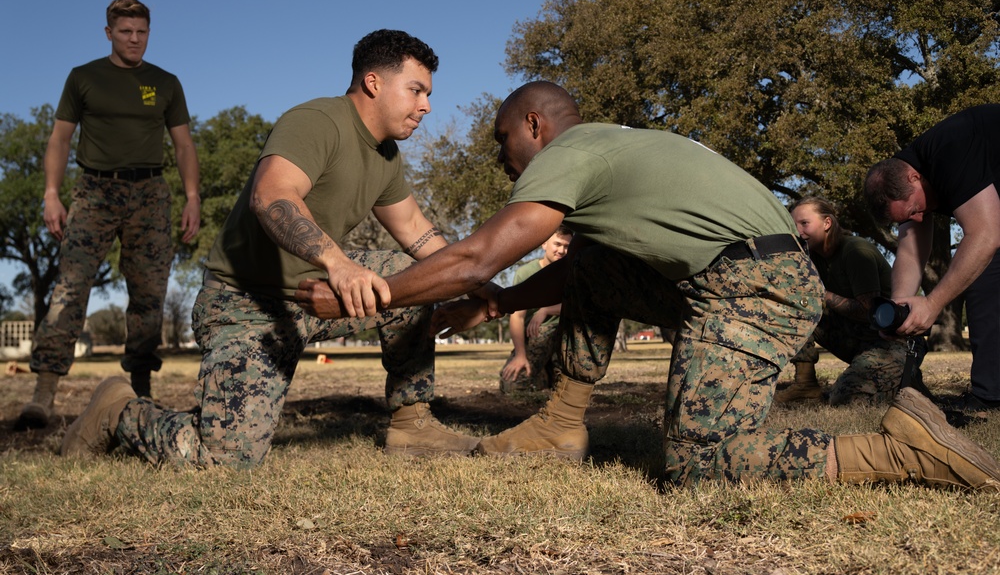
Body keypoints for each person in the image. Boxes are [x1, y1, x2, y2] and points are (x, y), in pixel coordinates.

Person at [292, 81, 1000, 491]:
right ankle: (560, 424)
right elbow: (585, 269)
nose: (502, 160)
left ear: (535, 125)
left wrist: (372, 290)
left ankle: (900, 449)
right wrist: (503, 301)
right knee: (598, 264)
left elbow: (481, 253)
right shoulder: (617, 145)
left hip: (754, 283)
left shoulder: (566, 153)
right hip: (750, 271)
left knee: (700, 462)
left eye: (503, 141)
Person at [61, 29, 480, 467]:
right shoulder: (317, 120)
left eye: (427, 94)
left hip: (315, 296)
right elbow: (273, 197)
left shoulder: (386, 155)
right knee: (227, 460)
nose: (426, 105)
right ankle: (117, 410)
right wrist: (338, 263)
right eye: (416, 90)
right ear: (374, 82)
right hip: (245, 304)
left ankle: (412, 423)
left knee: (409, 276)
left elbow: (416, 230)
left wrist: (473, 279)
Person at [16, 0, 200, 430]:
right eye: (126, 32)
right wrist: (51, 194)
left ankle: (140, 393)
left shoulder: (166, 82)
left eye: (142, 32)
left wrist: (192, 196)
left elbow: (184, 145)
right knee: (71, 287)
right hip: (94, 190)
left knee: (149, 293)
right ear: (109, 33)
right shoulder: (83, 78)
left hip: (151, 193)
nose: (135, 40)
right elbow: (60, 139)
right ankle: (43, 394)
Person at [865, 105, 1000, 411]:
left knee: (983, 268)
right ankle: (992, 393)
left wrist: (933, 303)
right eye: (910, 217)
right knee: (984, 276)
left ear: (913, 177)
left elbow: (986, 235)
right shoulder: (907, 179)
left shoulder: (949, 150)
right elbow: (911, 251)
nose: (921, 217)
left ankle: (991, 395)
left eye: (914, 210)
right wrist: (900, 306)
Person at [776, 197, 929, 405]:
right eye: (793, 225)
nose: (798, 231)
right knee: (796, 304)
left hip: (894, 340)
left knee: (845, 399)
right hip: (860, 337)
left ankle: (904, 381)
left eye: (804, 223)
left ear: (827, 223)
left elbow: (868, 312)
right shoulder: (810, 257)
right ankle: (805, 385)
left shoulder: (856, 251)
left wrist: (820, 293)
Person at [500, 226, 572, 393]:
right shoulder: (525, 273)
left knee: (565, 390)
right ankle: (543, 374)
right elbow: (517, 317)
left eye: (567, 246)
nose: (561, 250)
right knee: (511, 386)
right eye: (557, 244)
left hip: (565, 335)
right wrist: (520, 355)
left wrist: (545, 310)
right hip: (535, 335)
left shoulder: (573, 273)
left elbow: (578, 305)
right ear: (544, 244)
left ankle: (555, 374)